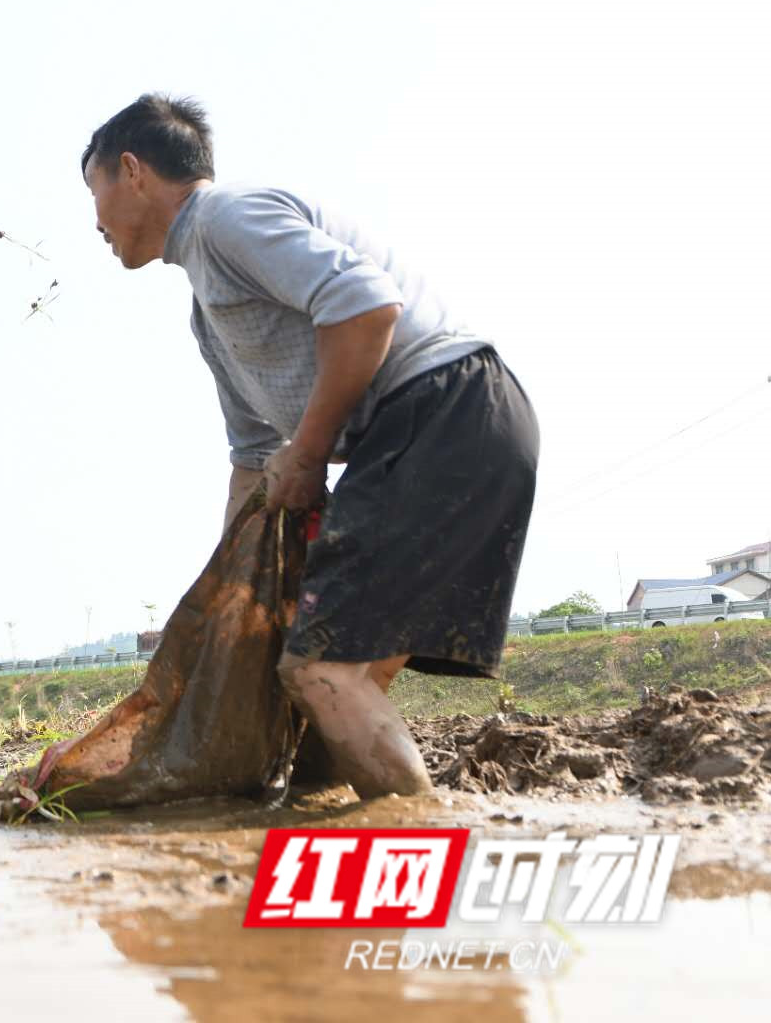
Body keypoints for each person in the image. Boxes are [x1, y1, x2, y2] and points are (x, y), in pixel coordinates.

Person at [80, 94, 539, 800]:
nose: (96, 223)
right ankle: (353, 881)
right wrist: (228, 598)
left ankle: (416, 845)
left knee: (322, 673)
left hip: (443, 410)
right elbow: (252, 460)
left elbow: (365, 305)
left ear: (132, 171)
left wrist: (309, 451)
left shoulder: (226, 218)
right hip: (445, 425)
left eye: (95, 191)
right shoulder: (209, 312)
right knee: (325, 698)